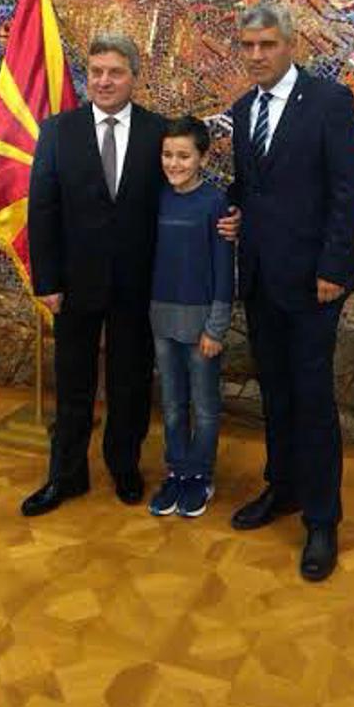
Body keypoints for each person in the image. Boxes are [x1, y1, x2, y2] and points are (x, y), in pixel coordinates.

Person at [21, 33, 238, 517]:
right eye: (96, 71)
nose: (104, 81)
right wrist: (47, 282)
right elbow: (43, 209)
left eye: (115, 72)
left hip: (140, 288)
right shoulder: (58, 131)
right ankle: (65, 475)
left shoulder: (157, 133)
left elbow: (187, 189)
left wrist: (230, 216)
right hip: (74, 286)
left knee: (130, 383)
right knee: (73, 383)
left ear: (134, 78)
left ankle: (124, 467)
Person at [229, 1, 354, 581]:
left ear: (290, 45)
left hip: (315, 282)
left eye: (267, 45)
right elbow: (251, 186)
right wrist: (232, 212)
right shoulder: (243, 109)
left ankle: (322, 519)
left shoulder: (329, 102)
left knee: (311, 399)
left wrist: (334, 265)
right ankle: (282, 488)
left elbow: (347, 189)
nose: (257, 55)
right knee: (276, 393)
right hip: (262, 278)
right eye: (249, 46)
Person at [148, 115, 234, 519]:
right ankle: (177, 470)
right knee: (172, 403)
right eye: (167, 154)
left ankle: (200, 474)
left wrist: (216, 327)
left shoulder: (215, 203)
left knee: (204, 405)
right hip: (161, 321)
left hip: (202, 325)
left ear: (203, 158)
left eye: (183, 156)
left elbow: (224, 270)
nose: (174, 163)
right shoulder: (156, 198)